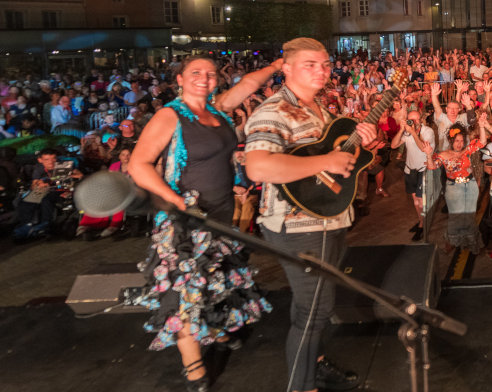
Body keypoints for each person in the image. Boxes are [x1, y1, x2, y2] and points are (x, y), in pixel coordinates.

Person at [128, 55, 279, 392]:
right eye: (195, 72)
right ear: (179, 80)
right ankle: (194, 367)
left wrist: (277, 65)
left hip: (221, 213)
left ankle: (214, 329)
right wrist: (177, 200)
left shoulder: (219, 110)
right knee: (184, 290)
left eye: (210, 74)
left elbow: (249, 85)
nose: (204, 78)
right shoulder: (170, 116)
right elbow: (138, 165)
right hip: (186, 220)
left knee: (215, 278)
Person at [243, 38, 378, 392]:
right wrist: (326, 161)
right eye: (310, 64)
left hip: (330, 218)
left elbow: (343, 161)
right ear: (285, 68)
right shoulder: (273, 112)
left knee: (313, 305)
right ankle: (302, 385)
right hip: (296, 225)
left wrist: (367, 142)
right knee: (315, 311)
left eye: (325, 64)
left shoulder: (322, 111)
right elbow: (257, 167)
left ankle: (313, 363)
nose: (322, 70)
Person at [424, 121, 488, 255]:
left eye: (461, 141)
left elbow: (482, 142)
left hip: (470, 185)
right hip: (453, 187)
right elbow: (431, 166)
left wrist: (481, 126)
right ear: (450, 140)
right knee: (455, 216)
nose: (459, 143)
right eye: (457, 140)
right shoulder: (443, 154)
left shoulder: (467, 150)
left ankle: (471, 242)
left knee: (470, 215)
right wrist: (429, 154)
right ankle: (451, 242)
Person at [12, 148, 82, 238]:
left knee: (46, 200)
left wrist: (67, 175)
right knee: (25, 203)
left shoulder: (63, 165)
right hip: (44, 190)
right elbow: (33, 186)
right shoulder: (39, 168)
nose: (51, 162)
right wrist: (38, 183)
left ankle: (45, 223)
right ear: (40, 160)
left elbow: (80, 175)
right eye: (47, 160)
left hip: (60, 190)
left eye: (53, 158)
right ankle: (27, 225)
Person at [390, 109, 435, 242]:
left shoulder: (428, 131)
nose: (414, 122)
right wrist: (401, 130)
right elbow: (393, 145)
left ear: (421, 120)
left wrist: (413, 133)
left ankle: (422, 225)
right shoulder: (406, 132)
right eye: (411, 120)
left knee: (421, 200)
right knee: (415, 200)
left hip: (423, 168)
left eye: (416, 119)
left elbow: (423, 147)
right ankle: (421, 221)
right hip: (410, 169)